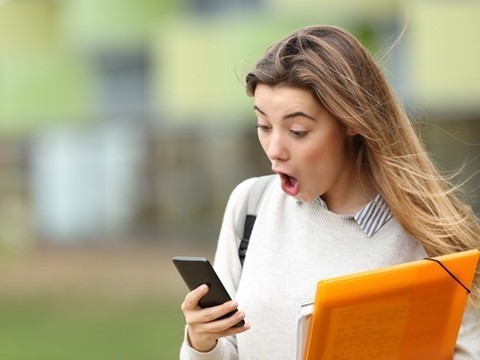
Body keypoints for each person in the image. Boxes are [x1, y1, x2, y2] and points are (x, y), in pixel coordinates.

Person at [178, 25, 480, 359]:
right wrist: (201, 340)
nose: (274, 149)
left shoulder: (430, 236)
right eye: (263, 126)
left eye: (297, 131)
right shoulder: (250, 205)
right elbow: (228, 349)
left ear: (352, 121)